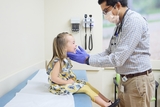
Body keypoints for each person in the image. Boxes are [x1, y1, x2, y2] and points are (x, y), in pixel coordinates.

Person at [67, 0, 155, 107]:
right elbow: (109, 52)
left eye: (106, 11)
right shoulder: (120, 25)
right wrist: (89, 56)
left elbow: (117, 59)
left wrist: (88, 60)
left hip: (138, 80)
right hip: (126, 80)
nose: (105, 15)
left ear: (117, 5)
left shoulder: (134, 21)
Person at [46, 32, 120, 107]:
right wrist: (67, 82)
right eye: (73, 43)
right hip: (58, 87)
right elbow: (54, 78)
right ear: (64, 47)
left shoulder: (65, 59)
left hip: (63, 83)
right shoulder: (58, 61)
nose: (76, 45)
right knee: (85, 88)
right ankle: (105, 105)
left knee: (86, 84)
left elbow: (65, 73)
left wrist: (70, 79)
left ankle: (108, 101)